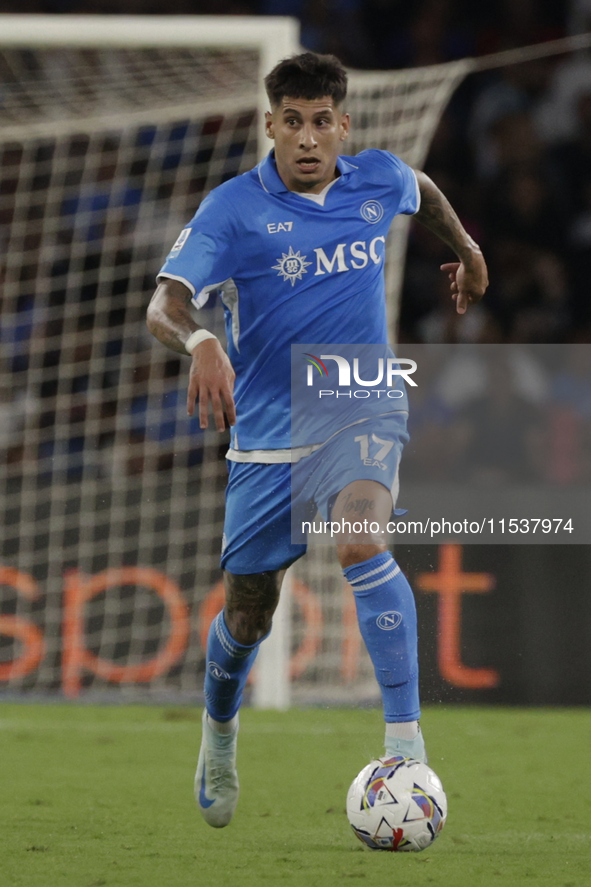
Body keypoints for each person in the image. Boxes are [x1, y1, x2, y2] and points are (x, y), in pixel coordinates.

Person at [147, 52, 488, 829]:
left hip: (360, 401)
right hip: (267, 439)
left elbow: (424, 193)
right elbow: (164, 306)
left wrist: (466, 249)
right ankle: (220, 733)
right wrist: (200, 342)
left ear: (344, 124)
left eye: (321, 121)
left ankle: (404, 745)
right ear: (270, 124)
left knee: (361, 540)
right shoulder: (232, 210)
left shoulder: (376, 178)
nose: (308, 137)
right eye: (292, 121)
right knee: (247, 616)